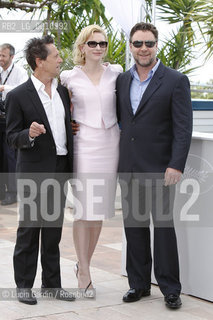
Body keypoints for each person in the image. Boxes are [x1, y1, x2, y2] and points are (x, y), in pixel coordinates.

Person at [116, 22, 192, 309]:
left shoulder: (175, 80)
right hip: (130, 167)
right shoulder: (123, 80)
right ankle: (138, 284)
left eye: (148, 43)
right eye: (137, 43)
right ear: (131, 47)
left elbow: (183, 128)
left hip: (161, 169)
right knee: (134, 227)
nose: (143, 48)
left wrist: (176, 164)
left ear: (156, 45)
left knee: (162, 228)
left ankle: (170, 288)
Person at [6, 35, 75, 305]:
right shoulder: (18, 95)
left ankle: (52, 285)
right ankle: (24, 285)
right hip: (34, 171)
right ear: (40, 61)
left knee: (53, 230)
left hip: (60, 167)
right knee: (30, 229)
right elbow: (11, 136)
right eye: (55, 56)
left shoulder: (61, 90)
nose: (60, 60)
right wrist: (29, 134)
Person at [60, 25, 122, 292]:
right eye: (93, 43)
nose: (98, 48)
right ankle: (84, 271)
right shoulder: (68, 77)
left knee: (99, 212)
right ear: (82, 47)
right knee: (84, 210)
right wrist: (67, 123)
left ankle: (83, 263)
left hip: (111, 144)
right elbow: (56, 106)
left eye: (103, 43)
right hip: (84, 145)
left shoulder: (117, 72)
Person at [0, 43, 28, 205]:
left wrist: (4, 88)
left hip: (11, 119)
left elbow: (23, 90)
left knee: (11, 156)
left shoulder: (20, 72)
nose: (0, 59)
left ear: (12, 56)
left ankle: (12, 192)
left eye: (3, 56)